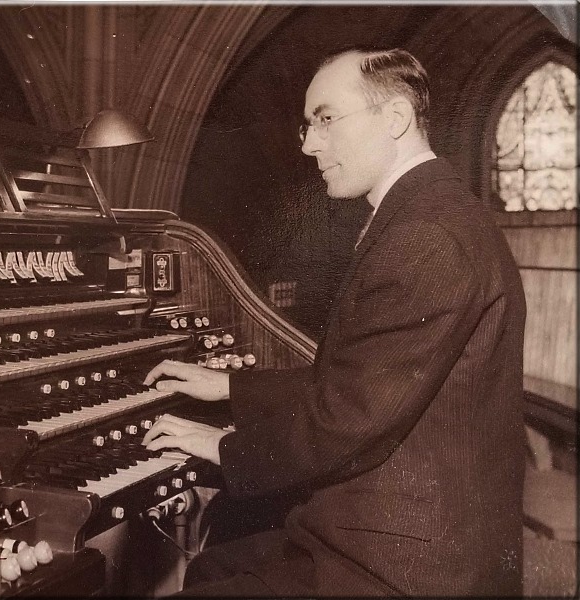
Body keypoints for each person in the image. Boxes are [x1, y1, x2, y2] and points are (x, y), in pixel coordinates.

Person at [142, 48, 526, 597]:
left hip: (409, 565)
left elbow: (350, 418)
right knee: (212, 567)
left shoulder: (427, 237)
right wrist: (229, 385)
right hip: (406, 524)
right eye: (308, 125)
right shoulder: (425, 212)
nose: (308, 144)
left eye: (325, 119)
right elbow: (362, 376)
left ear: (394, 119)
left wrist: (221, 444)